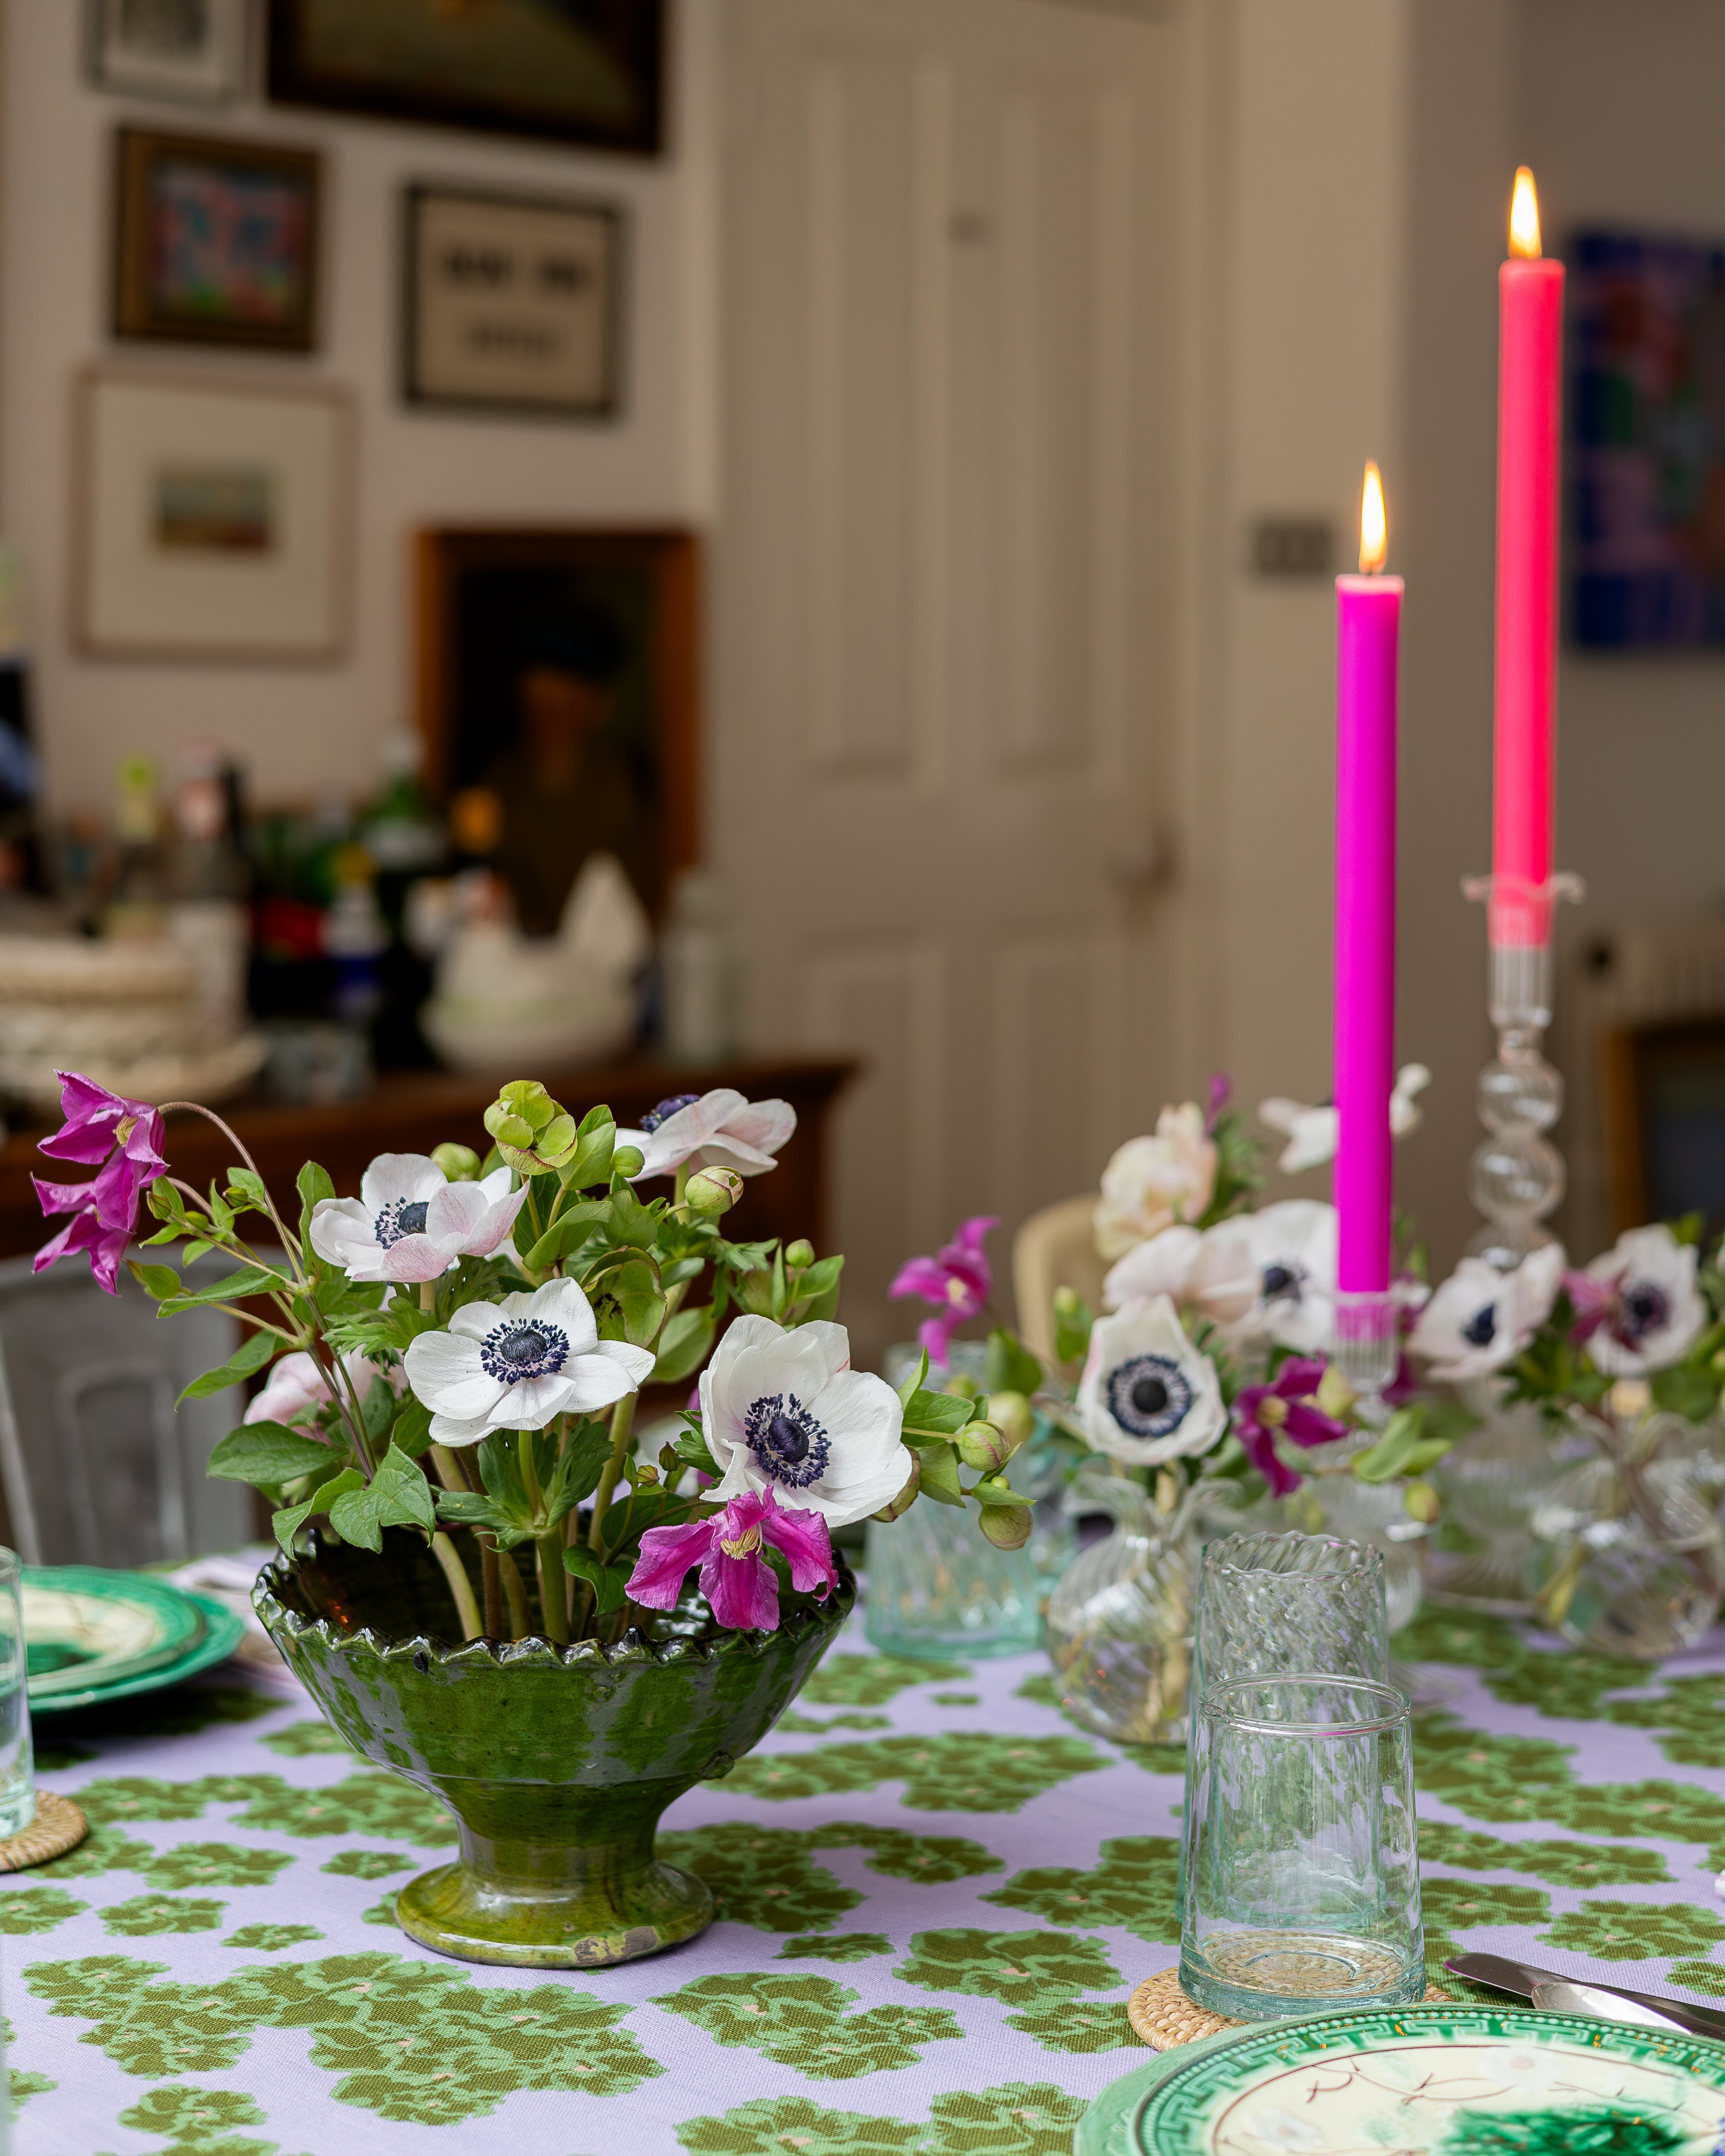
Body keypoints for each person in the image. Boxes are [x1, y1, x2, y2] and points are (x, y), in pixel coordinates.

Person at [483, 611, 659, 937]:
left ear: (599, 707)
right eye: (538, 709)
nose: (549, 726)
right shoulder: (502, 781)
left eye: (563, 710)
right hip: (524, 965)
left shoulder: (626, 782)